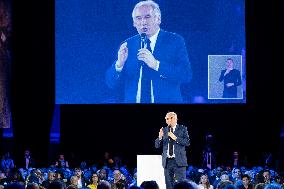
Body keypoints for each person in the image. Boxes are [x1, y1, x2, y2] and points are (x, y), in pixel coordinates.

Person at [106, 0, 192, 103]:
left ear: (158, 19)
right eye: (138, 18)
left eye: (147, 17)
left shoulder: (175, 41)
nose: (143, 22)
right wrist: (119, 65)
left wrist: (157, 65)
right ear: (134, 23)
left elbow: (185, 75)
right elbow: (111, 83)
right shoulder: (128, 45)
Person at [155, 112, 190, 189]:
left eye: (169, 118)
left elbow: (187, 142)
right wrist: (160, 137)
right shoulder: (164, 130)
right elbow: (157, 145)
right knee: (169, 185)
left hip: (179, 161)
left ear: (174, 119)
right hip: (167, 162)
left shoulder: (182, 128)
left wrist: (176, 138)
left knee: (182, 184)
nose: (167, 120)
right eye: (166, 119)